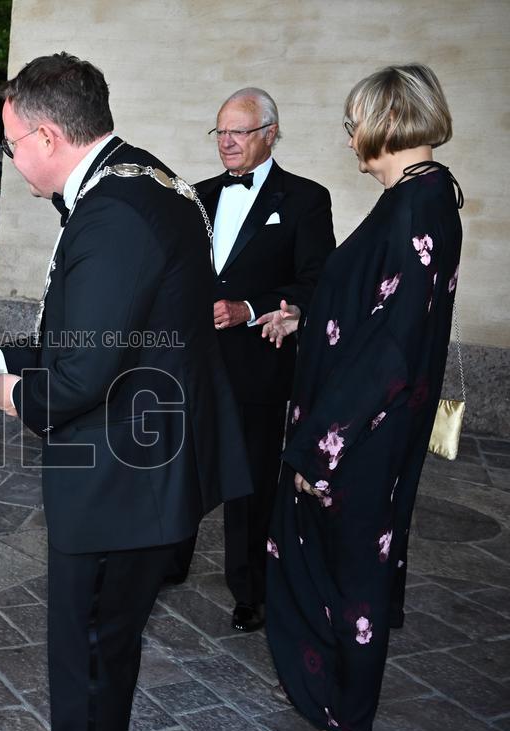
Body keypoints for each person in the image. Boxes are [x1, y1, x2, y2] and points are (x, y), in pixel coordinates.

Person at [0, 53, 251, 731]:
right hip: (141, 463)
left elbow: (76, 377)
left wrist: (4, 391)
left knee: (91, 651)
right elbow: (86, 336)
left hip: (122, 483)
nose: (9, 159)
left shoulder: (114, 216)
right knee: (97, 652)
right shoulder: (137, 179)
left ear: (44, 135)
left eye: (8, 143)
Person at [258, 64, 462, 731]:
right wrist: (307, 316)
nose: (349, 140)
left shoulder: (414, 207)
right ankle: (346, 719)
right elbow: (378, 311)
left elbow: (390, 353)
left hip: (359, 438)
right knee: (347, 573)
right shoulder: (424, 198)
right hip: (366, 430)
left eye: (354, 124)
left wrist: (319, 450)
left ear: (386, 121)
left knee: (351, 578)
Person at [165, 88, 335, 635]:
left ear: (270, 132)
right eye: (220, 132)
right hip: (190, 361)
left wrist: (251, 308)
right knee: (179, 465)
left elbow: (318, 282)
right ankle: (168, 563)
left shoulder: (307, 199)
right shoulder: (194, 194)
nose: (227, 142)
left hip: (258, 365)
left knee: (251, 480)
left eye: (238, 131)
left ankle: (250, 588)